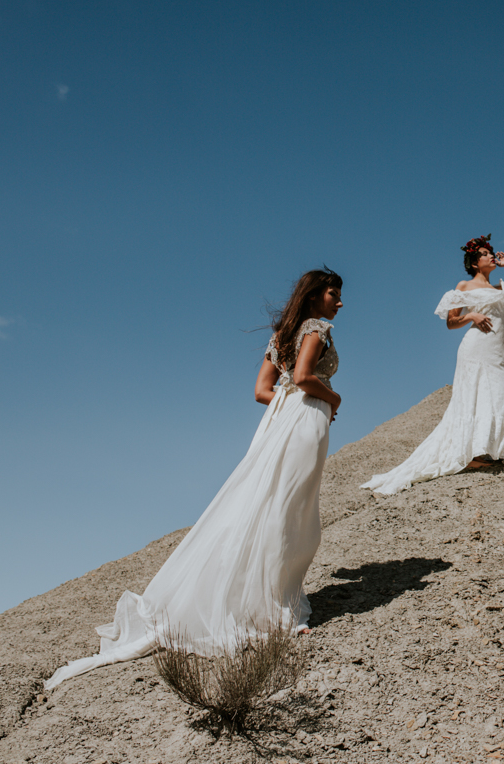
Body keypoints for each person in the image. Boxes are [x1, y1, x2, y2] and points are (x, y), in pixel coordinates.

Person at [46, 268, 344, 689]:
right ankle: (274, 610)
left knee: (265, 502)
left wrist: (291, 404)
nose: (339, 301)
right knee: (288, 511)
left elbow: (263, 390)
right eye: (334, 293)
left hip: (280, 420)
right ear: (315, 296)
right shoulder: (317, 328)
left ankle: (264, 600)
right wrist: (332, 398)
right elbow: (302, 378)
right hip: (304, 419)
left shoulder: (281, 336)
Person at [362, 235, 504, 495]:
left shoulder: (501, 288)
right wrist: (471, 315)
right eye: (486, 254)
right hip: (474, 348)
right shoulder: (463, 286)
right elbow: (451, 322)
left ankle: (486, 450)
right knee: (472, 397)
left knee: (499, 395)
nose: (491, 256)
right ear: (475, 262)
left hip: (496, 352)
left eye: (491, 253)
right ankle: (471, 457)